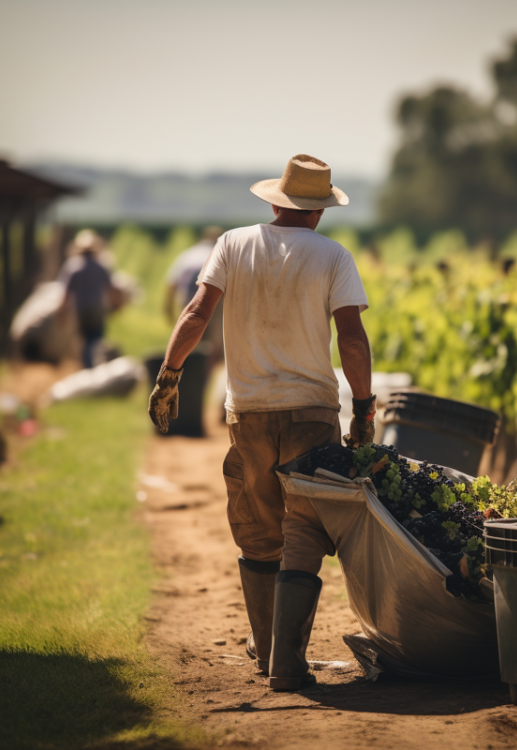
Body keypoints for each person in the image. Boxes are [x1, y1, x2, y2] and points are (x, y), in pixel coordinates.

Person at [147, 154, 375, 691]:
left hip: (247, 412)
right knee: (302, 524)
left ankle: (269, 649)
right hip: (312, 411)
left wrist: (169, 374)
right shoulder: (334, 257)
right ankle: (288, 665)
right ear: (318, 212)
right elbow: (352, 339)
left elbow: (197, 313)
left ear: (275, 202)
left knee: (256, 524)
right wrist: (363, 408)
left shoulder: (231, 244)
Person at [163, 226, 225, 369]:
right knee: (212, 344)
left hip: (187, 301)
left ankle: (188, 370)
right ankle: (207, 373)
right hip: (214, 303)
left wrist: (168, 309)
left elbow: (172, 284)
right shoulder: (218, 254)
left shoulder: (188, 255)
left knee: (189, 340)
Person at [59, 229, 114, 369]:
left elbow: (66, 293)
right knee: (95, 340)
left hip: (81, 309)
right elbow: (111, 288)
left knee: (84, 340)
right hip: (97, 308)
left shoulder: (73, 267)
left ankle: (87, 367)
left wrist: (62, 312)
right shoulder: (100, 266)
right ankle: (93, 367)